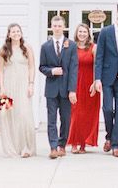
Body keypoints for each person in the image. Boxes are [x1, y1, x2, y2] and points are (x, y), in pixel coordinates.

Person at [94, 3, 118, 157]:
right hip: (106, 77)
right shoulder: (105, 31)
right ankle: (109, 136)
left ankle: (116, 144)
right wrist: (97, 79)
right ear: (116, 14)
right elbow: (99, 56)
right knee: (108, 108)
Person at [39, 15, 78, 159]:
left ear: (64, 27)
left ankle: (62, 145)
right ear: (51, 27)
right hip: (51, 89)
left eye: (59, 26)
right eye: (54, 26)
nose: (57, 28)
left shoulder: (71, 45)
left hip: (66, 89)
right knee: (51, 119)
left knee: (66, 119)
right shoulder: (45, 46)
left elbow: (74, 69)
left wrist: (72, 90)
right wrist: (51, 71)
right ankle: (53, 147)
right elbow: (41, 67)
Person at [0, 23, 36, 158]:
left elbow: (32, 67)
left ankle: (26, 147)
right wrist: (2, 87)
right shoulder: (3, 50)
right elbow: (1, 70)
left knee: (24, 115)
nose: (16, 34)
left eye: (18, 31)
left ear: (21, 33)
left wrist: (31, 84)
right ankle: (13, 147)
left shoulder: (27, 48)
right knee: (8, 116)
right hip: (8, 86)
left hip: (23, 85)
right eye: (13, 32)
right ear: (9, 34)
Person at [67, 23, 100, 153]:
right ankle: (74, 142)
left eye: (84, 32)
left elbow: (97, 65)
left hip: (90, 84)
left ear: (88, 34)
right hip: (75, 83)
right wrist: (70, 87)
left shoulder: (93, 47)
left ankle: (83, 144)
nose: (82, 34)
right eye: (80, 32)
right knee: (75, 112)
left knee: (87, 114)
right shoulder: (71, 47)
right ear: (76, 33)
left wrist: (95, 82)